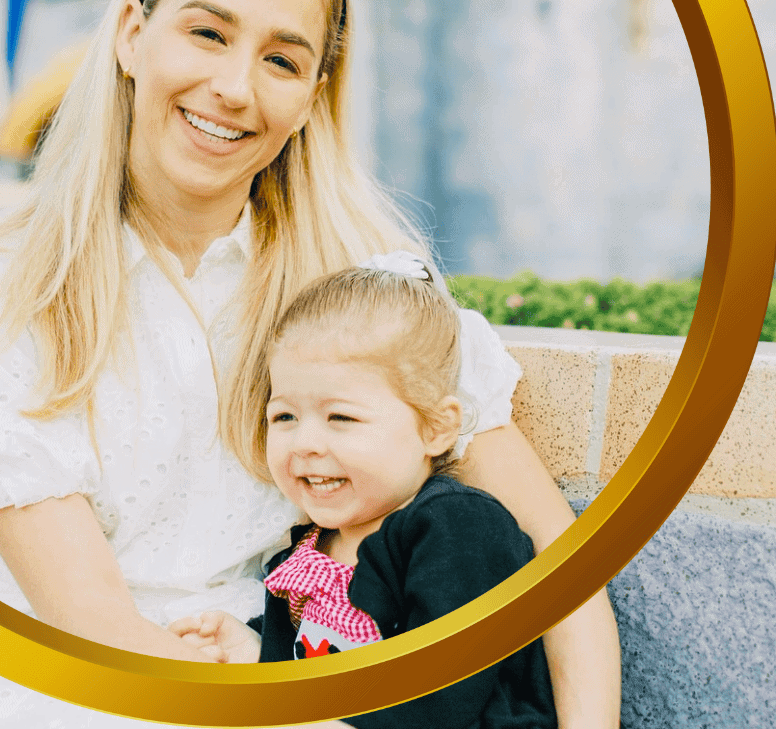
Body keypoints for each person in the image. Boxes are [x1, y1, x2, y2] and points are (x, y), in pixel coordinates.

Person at [0, 0, 619, 729]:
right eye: (207, 34)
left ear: (313, 97)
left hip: (288, 673)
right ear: (129, 35)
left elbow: (562, 580)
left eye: (281, 59)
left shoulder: (368, 293)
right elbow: (99, 629)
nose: (234, 88)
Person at [169, 252, 558, 729]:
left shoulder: (457, 530)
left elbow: (439, 695)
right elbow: (306, 674)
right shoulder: (309, 552)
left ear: (435, 428)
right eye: (285, 417)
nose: (306, 443)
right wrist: (254, 653)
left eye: (341, 418)